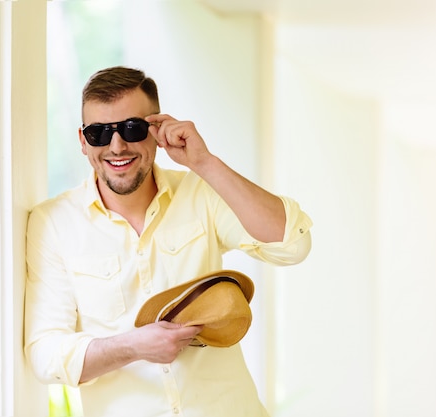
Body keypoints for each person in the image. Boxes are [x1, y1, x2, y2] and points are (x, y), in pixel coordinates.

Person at [24, 66, 312, 417]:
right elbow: (45, 354)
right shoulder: (53, 223)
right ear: (83, 141)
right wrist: (132, 347)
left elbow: (292, 244)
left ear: (156, 130)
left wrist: (203, 162)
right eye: (99, 133)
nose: (116, 146)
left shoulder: (201, 193)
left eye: (131, 128)